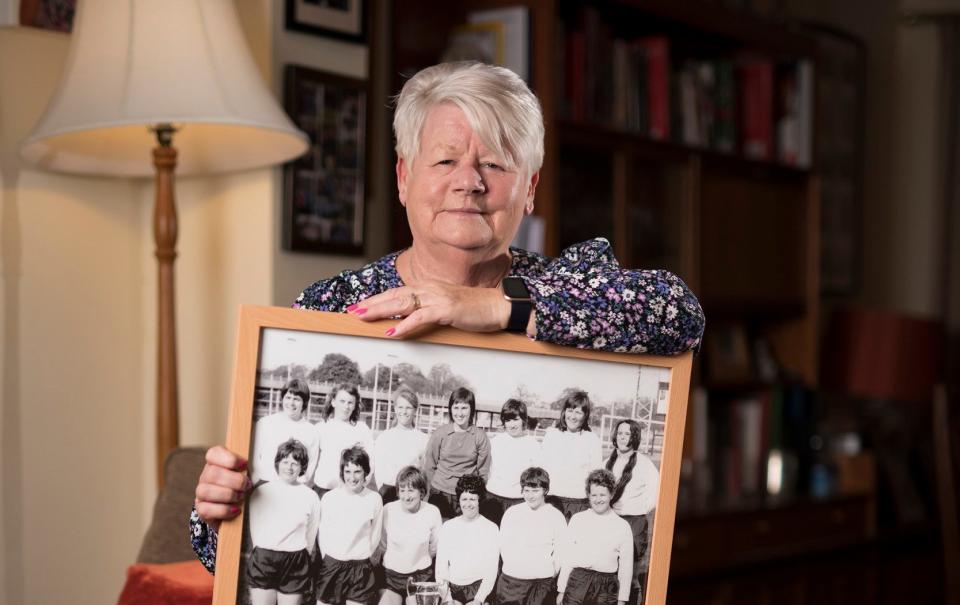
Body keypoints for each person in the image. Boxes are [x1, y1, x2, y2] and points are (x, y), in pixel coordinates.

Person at [191, 60, 704, 574]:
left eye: (496, 165)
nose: (469, 183)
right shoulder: (336, 306)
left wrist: (496, 307)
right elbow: (226, 561)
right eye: (444, 162)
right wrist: (218, 513)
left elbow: (679, 313)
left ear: (529, 189)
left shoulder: (568, 286)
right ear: (403, 176)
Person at [247, 439, 321, 605]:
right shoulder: (262, 492)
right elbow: (255, 529)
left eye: (295, 463)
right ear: (277, 463)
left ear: (302, 467)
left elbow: (311, 533)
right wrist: (264, 551)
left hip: (296, 560)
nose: (289, 467)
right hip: (265, 559)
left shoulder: (310, 496)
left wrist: (304, 555)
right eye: (285, 461)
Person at [315, 446, 383, 605]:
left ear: (365, 472)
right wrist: (329, 557)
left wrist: (363, 554)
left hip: (360, 568)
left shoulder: (374, 499)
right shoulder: (330, 498)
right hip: (332, 565)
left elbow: (376, 534)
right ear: (342, 473)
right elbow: (323, 532)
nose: (352, 477)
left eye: (357, 471)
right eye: (348, 472)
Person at [557, 470, 633, 605]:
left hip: (606, 586)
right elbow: (568, 556)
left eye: (603, 495)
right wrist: (562, 589)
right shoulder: (578, 519)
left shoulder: (622, 526)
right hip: (578, 582)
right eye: (594, 495)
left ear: (612, 494)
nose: (598, 499)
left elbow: (626, 566)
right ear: (588, 496)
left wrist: (622, 599)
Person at [603, 420, 658, 604]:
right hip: (610, 521)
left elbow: (655, 494)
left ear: (634, 437)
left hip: (634, 522)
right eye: (619, 433)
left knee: (631, 577)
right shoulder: (606, 463)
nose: (622, 437)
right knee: (607, 572)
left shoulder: (645, 464)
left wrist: (638, 509)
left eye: (627, 434)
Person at [496, 467, 567, 605]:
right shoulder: (512, 513)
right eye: (527, 490)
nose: (530, 496)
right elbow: (504, 545)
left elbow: (562, 550)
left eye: (535, 491)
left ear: (545, 491)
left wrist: (551, 571)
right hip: (512, 583)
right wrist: (514, 566)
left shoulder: (555, 516)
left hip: (541, 584)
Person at [377, 466, 443, 605]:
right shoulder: (388, 509)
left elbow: (435, 546)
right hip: (391, 576)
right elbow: (382, 543)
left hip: (421, 576)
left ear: (421, 492)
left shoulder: (432, 512)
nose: (406, 496)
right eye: (402, 490)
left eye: (411, 490)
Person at [423, 387, 492, 519]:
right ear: (450, 409)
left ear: (471, 409)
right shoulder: (440, 433)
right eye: (456, 408)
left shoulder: (480, 436)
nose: (460, 413)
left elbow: (483, 471)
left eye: (464, 408)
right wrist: (434, 491)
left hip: (466, 496)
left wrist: (473, 495)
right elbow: (429, 466)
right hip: (440, 493)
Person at [434, 475, 499, 605]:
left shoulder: (491, 528)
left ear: (480, 500)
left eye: (472, 499)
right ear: (459, 500)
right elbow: (441, 566)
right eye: (464, 499)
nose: (468, 504)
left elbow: (491, 570)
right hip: (452, 590)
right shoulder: (448, 526)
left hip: (478, 589)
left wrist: (479, 599)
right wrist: (447, 598)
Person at [539, 391, 602, 522]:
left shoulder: (592, 439)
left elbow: (595, 476)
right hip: (552, 500)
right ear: (564, 412)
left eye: (578, 412)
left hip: (579, 503)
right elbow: (542, 469)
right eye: (570, 410)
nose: (573, 416)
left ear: (585, 416)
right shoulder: (551, 435)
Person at [250, 378, 320, 485]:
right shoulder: (265, 423)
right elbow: (254, 456)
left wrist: (299, 485)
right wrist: (257, 481)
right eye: (288, 397)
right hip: (265, 483)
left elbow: (310, 466)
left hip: (294, 487)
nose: (291, 403)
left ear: (304, 403)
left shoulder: (311, 431)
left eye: (296, 399)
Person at [312, 382, 375, 498]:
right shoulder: (320, 428)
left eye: (350, 402)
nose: (346, 406)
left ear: (355, 405)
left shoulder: (362, 429)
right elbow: (311, 460)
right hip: (324, 489)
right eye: (342, 401)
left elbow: (371, 461)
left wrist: (362, 484)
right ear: (333, 402)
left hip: (350, 491)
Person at [484, 399, 540, 524]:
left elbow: (536, 479)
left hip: (519, 501)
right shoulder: (495, 442)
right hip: (493, 498)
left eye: (516, 419)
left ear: (524, 420)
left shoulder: (533, 445)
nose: (512, 425)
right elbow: (487, 470)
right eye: (508, 420)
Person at [373, 387, 429, 503]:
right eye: (401, 407)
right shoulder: (384, 437)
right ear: (395, 409)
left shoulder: (423, 439)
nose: (404, 411)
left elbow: (424, 471)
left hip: (412, 493)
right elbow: (378, 468)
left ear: (415, 410)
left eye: (408, 408)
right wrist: (382, 490)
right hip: (388, 492)